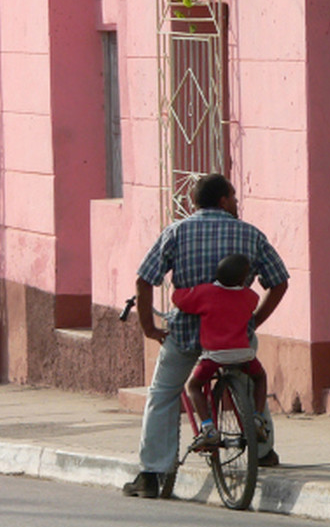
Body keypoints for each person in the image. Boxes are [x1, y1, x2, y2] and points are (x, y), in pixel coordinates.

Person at [123, 174, 289, 498]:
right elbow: (279, 281)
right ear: (224, 200)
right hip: (237, 338)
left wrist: (148, 328)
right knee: (248, 381)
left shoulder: (177, 232)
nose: (237, 203)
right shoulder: (251, 235)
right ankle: (263, 449)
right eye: (235, 197)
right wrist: (252, 321)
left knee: (163, 394)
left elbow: (144, 281)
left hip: (187, 335)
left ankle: (151, 475)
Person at [172, 253, 268, 448]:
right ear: (244, 279)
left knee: (193, 386)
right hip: (244, 354)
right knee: (260, 378)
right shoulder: (250, 297)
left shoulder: (204, 293)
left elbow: (179, 299)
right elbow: (253, 304)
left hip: (214, 356)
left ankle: (208, 428)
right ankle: (258, 418)